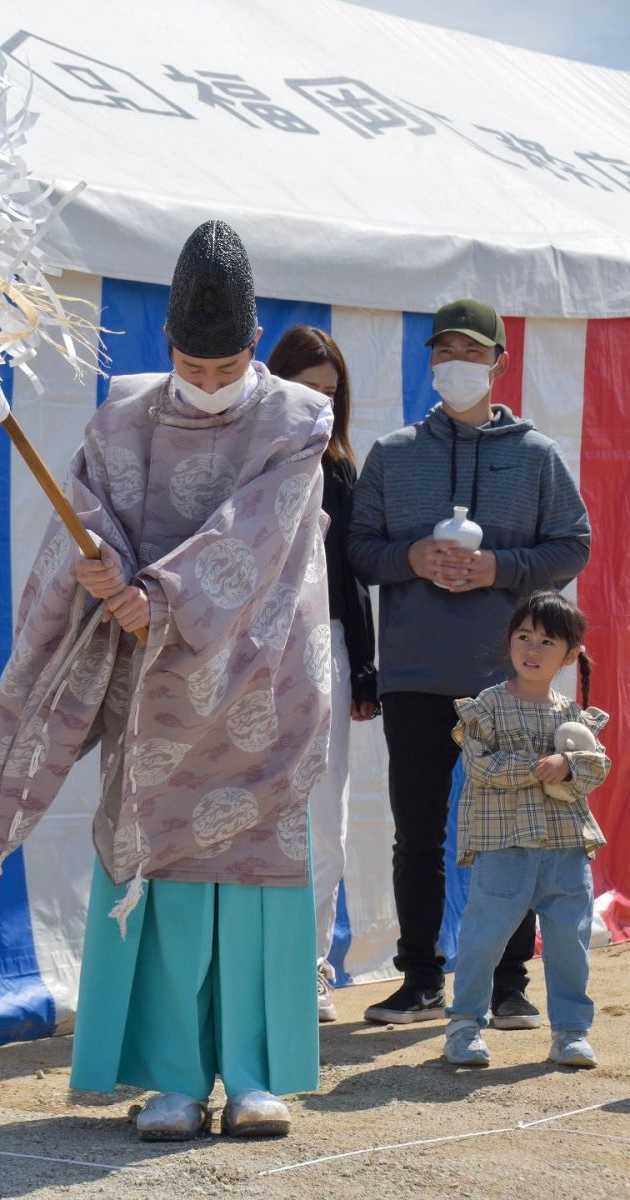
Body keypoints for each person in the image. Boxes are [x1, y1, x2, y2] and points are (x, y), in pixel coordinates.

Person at [0, 220, 334, 1141]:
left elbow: (264, 534)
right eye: (191, 368)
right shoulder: (120, 415)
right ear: (168, 344)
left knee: (253, 880)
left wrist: (158, 596)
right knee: (161, 872)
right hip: (154, 692)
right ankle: (170, 1076)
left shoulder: (296, 420)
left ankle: (253, 1075)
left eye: (224, 369)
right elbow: (86, 516)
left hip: (261, 682)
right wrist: (99, 569)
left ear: (254, 344)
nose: (207, 386)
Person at [348, 298, 591, 1027]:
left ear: (498, 361)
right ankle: (421, 977)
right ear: (431, 360)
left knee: (512, 830)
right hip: (417, 673)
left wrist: (501, 568)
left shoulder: (537, 455)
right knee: (417, 831)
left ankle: (508, 984)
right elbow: (358, 549)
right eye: (444, 350)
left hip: (510, 682)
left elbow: (572, 544)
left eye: (472, 351)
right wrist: (411, 556)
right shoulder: (393, 454)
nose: (457, 363)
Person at [444, 590, 610, 1068]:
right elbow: (479, 767)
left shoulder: (574, 715)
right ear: (509, 640)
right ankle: (464, 1025)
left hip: (566, 847)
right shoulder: (487, 706)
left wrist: (571, 763)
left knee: (569, 944)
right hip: (504, 846)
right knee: (482, 939)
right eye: (524, 636)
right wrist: (539, 766)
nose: (532, 650)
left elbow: (598, 768)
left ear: (570, 654)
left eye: (547, 641)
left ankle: (571, 1032)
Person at [267, 326, 378, 1023]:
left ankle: (310, 966)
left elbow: (353, 577)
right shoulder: (246, 455)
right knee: (253, 809)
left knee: (324, 814)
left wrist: (363, 665)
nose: (318, 404)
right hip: (256, 649)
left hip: (327, 646)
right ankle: (255, 963)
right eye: (306, 389)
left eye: (329, 394)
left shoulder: (339, 465)